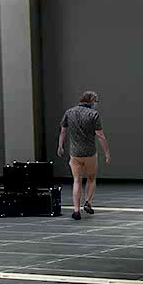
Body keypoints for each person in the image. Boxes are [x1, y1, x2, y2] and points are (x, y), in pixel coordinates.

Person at [58, 90, 111, 221]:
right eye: (96, 101)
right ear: (91, 101)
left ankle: (76, 211)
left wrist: (60, 146)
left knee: (77, 180)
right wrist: (107, 152)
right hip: (90, 153)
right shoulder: (93, 114)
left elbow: (63, 131)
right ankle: (88, 202)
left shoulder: (69, 112)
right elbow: (100, 135)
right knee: (91, 178)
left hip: (75, 153)